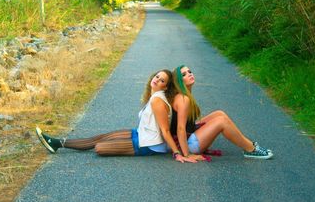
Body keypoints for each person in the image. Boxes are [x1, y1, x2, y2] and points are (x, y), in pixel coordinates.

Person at [35, 69, 197, 163]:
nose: (157, 80)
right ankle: (57, 143)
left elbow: (165, 131)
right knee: (99, 138)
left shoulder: (158, 101)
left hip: (149, 144)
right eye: (157, 77)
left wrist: (177, 153)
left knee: (100, 147)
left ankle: (58, 143)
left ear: (166, 86)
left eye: (162, 80)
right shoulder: (154, 96)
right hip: (141, 134)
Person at [170, 65, 273, 160]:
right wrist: (187, 154)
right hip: (187, 145)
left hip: (189, 135)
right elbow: (180, 128)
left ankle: (247, 143)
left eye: (189, 71)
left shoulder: (185, 95)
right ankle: (251, 149)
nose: (189, 74)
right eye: (184, 74)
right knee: (221, 121)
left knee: (219, 114)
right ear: (179, 81)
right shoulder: (183, 99)